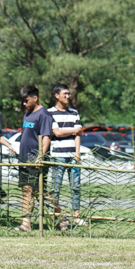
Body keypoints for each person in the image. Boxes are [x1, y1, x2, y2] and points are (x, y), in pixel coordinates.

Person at [14, 85, 52, 232]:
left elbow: (46, 137)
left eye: (26, 100)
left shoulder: (44, 115)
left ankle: (61, 217)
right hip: (24, 159)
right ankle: (26, 224)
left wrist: (40, 157)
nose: (24, 104)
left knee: (39, 192)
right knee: (27, 190)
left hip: (35, 159)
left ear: (35, 98)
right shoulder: (27, 114)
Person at [47, 84, 84, 229]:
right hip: (58, 155)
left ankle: (76, 216)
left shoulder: (74, 113)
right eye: (65, 94)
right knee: (55, 188)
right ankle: (55, 216)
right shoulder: (50, 113)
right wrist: (74, 130)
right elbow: (57, 133)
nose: (68, 96)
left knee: (76, 186)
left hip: (72, 156)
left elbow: (78, 134)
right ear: (57, 95)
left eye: (69, 94)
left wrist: (77, 153)